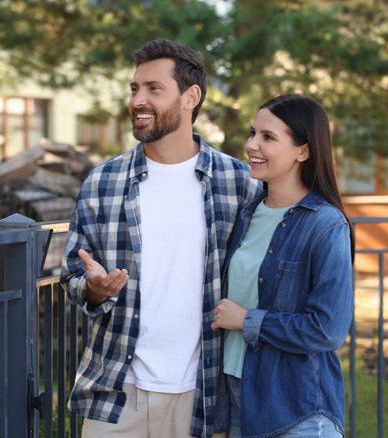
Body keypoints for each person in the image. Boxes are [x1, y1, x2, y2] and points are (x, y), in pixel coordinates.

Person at [61, 39, 261, 438]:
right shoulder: (103, 182)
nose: (138, 100)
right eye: (135, 88)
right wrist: (95, 290)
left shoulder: (239, 182)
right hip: (116, 390)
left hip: (203, 394)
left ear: (191, 97)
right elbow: (71, 275)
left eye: (154, 88)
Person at [211, 94, 354, 437]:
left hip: (296, 409)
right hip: (238, 399)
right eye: (252, 133)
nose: (251, 145)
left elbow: (327, 330)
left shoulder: (326, 225)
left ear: (302, 151)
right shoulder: (247, 214)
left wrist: (247, 320)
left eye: (268, 137)